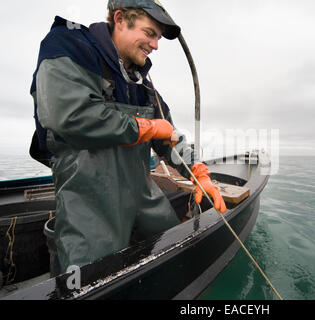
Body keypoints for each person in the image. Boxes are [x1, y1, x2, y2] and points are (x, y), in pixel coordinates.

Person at [29, 0, 227, 274]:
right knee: (89, 279)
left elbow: (171, 139)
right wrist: (146, 128)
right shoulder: (68, 46)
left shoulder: (145, 86)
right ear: (120, 19)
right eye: (149, 33)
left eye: (158, 38)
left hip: (144, 203)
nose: (155, 45)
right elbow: (68, 116)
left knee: (176, 255)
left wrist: (200, 173)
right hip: (88, 210)